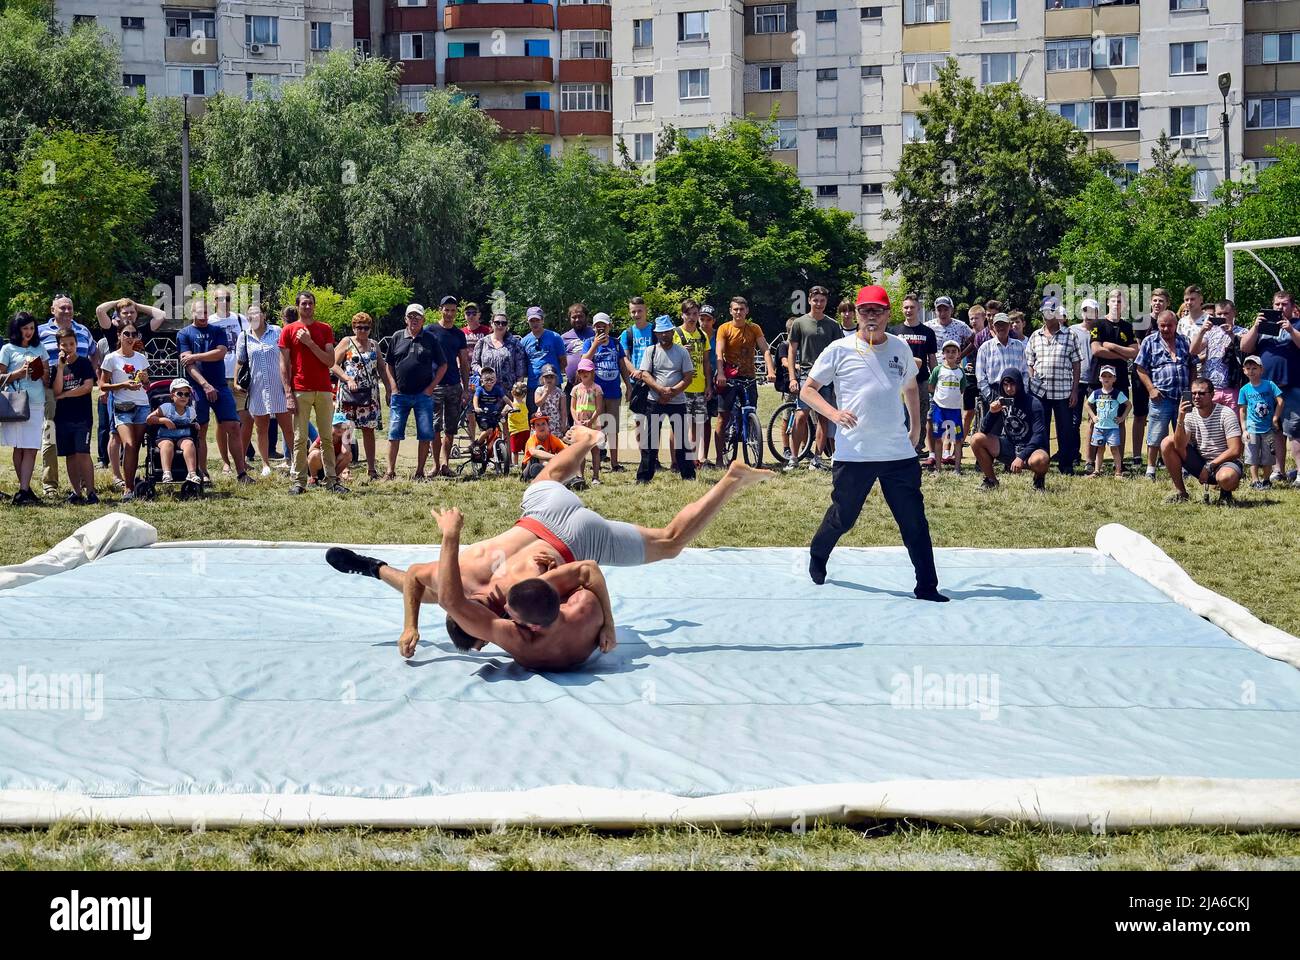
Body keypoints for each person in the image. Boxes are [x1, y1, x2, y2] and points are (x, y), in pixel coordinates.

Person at [324, 425, 772, 657]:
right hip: (540, 514)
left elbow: (586, 579)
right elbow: (416, 581)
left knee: (671, 542)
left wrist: (408, 625)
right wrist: (409, 622)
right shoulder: (455, 580)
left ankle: (730, 483)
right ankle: (587, 442)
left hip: (577, 543)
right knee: (548, 476)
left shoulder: (506, 618)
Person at [799, 285, 945, 601]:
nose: (871, 317)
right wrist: (834, 413)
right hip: (855, 454)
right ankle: (818, 553)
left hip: (897, 453)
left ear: (887, 314)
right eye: (865, 311)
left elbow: (910, 388)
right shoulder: (839, 349)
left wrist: (916, 428)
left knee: (914, 522)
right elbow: (807, 390)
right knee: (844, 516)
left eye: (877, 311)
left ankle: (927, 587)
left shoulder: (900, 347)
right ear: (857, 314)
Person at [432, 506, 618, 671]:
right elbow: (589, 568)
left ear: (533, 627)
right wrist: (609, 625)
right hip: (569, 528)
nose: (504, 608)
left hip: (578, 531)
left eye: (511, 613)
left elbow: (449, 601)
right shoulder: (585, 606)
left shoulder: (522, 645)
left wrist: (450, 534)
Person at [178, 297, 250, 484]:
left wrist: (196, 355)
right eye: (199, 312)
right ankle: (202, 473)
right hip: (196, 388)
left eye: (206, 312)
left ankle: (241, 473)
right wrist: (204, 384)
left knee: (233, 426)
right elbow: (188, 365)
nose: (203, 316)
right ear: (191, 313)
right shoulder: (184, 334)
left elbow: (220, 352)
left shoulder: (217, 331)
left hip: (220, 386)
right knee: (200, 429)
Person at [280, 291, 346, 495]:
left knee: (326, 437)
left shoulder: (324, 329)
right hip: (300, 389)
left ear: (314, 306)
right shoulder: (288, 330)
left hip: (324, 389)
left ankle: (332, 481)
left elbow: (329, 361)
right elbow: (284, 365)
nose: (307, 307)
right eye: (304, 304)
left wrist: (309, 343)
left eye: (310, 304)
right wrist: (288, 393)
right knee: (300, 438)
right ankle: (298, 481)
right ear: (297, 306)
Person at [94, 296, 165, 474]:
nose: (129, 315)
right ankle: (116, 473)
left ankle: (128, 473)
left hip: (138, 391)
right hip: (115, 387)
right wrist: (119, 301)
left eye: (132, 312)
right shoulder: (112, 330)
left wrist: (136, 305)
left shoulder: (140, 330)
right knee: (114, 433)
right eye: (125, 312)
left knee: (133, 439)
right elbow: (100, 310)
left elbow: (161, 314)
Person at [37, 295, 99, 497]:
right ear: (52, 310)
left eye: (69, 308)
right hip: (50, 390)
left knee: (79, 446)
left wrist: (96, 374)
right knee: (50, 437)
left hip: (78, 393)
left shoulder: (83, 330)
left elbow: (94, 352)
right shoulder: (40, 331)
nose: (66, 311)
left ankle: (84, 486)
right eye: (62, 308)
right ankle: (50, 484)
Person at [1239, 290, 1300, 486]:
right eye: (1277, 305)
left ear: (1292, 306)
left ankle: (1299, 473)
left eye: (1284, 304)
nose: (1280, 308)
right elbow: (1245, 347)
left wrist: (1290, 330)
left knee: (1295, 431)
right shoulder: (1263, 328)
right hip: (1265, 390)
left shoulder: (1297, 325)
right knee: (1275, 432)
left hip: (1291, 387)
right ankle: (1278, 471)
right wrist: (1256, 327)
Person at [383, 304, 447, 482]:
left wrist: (431, 387)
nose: (414, 319)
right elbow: (388, 364)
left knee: (425, 434)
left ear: (423, 320)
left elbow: (443, 365)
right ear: (405, 319)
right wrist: (392, 387)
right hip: (400, 395)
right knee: (393, 433)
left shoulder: (430, 339)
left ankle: (419, 472)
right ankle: (390, 472)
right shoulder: (397, 337)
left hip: (423, 395)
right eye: (410, 316)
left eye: (417, 317)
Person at [713, 296, 776, 467]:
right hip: (729, 377)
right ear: (730, 311)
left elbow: (765, 350)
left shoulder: (754, 328)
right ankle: (719, 459)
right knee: (722, 417)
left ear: (747, 311)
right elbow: (719, 353)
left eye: (742, 309)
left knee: (750, 412)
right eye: (735, 309)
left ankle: (752, 447)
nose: (739, 312)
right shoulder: (724, 328)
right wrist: (720, 374)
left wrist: (770, 370)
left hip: (749, 376)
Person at [785, 286, 842, 471]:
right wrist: (792, 377)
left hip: (827, 377)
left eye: (822, 301)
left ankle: (817, 458)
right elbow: (792, 351)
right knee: (801, 416)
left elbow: (840, 353)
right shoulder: (799, 323)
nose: (819, 304)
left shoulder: (833, 325)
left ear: (826, 302)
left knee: (824, 417)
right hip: (806, 375)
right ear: (809, 300)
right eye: (815, 300)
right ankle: (793, 458)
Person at [1161, 376, 1243, 505]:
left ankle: (1225, 492)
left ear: (1212, 394)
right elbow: (1179, 445)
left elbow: (1235, 450)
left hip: (1224, 462)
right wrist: (1180, 418)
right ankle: (1181, 493)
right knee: (1167, 442)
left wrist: (1210, 466)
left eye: (1201, 393)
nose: (1196, 397)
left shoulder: (1226, 414)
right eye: (1193, 393)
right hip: (1200, 461)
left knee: (1226, 478)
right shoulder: (1189, 415)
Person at [1024, 297, 1083, 475]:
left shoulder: (1070, 335)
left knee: (1065, 430)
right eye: (1045, 311)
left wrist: (1075, 390)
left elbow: (1076, 364)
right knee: (1041, 430)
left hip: (1064, 392)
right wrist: (1032, 380)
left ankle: (1066, 464)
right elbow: (1030, 362)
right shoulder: (1035, 335)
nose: (1048, 315)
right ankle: (1043, 462)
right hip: (1040, 392)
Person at [1133, 309, 1194, 481]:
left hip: (1183, 397)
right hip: (1161, 397)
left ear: (1176, 325)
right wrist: (1151, 389)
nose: (1166, 329)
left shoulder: (1184, 341)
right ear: (1158, 325)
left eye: (1169, 325)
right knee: (1155, 434)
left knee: (1183, 434)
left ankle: (1185, 467)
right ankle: (1150, 469)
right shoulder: (1149, 341)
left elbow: (1192, 366)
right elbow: (1140, 368)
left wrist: (1190, 391)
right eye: (1162, 326)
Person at [635, 315, 696, 483]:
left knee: (682, 440)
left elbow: (688, 376)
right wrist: (661, 391)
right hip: (654, 400)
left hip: (678, 401)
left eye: (667, 332)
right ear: (656, 333)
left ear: (671, 332)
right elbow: (645, 374)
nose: (664, 335)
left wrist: (673, 392)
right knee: (650, 441)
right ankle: (644, 477)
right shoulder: (651, 351)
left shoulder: (682, 351)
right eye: (660, 332)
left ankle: (688, 475)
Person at [235, 303, 292, 479]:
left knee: (287, 427)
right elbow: (240, 361)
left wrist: (289, 384)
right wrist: (236, 381)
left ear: (264, 315)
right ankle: (265, 464)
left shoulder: (276, 331)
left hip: (279, 386)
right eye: (250, 314)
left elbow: (288, 357)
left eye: (257, 313)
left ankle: (296, 461)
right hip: (257, 388)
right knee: (261, 428)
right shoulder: (244, 337)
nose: (254, 317)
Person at [971, 368, 1051, 491]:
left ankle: (1039, 480)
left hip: (1031, 449)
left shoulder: (1033, 403)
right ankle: (991, 480)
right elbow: (983, 430)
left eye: (1012, 384)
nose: (1009, 389)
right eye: (1005, 385)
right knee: (976, 439)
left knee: (1041, 459)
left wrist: (1021, 457)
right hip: (1010, 446)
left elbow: (1039, 435)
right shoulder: (1002, 402)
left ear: (1019, 383)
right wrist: (992, 413)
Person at [0, 312, 49, 505]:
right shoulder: (7, 349)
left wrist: (40, 372)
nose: (29, 332)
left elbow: (47, 377)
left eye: (31, 328)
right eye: (25, 328)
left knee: (31, 447)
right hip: (15, 402)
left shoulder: (40, 347)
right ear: (17, 329)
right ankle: (24, 490)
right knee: (18, 447)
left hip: (36, 401)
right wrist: (18, 373)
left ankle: (23, 490)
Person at [98, 324, 150, 501]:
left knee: (135, 446)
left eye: (133, 334)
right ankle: (128, 488)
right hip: (122, 406)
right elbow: (102, 385)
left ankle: (131, 484)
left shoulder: (141, 358)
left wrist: (144, 380)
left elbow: (147, 386)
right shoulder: (111, 358)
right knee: (128, 444)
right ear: (119, 335)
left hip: (142, 405)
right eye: (126, 334)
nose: (130, 337)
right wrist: (123, 385)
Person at [332, 312, 385, 481]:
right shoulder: (347, 342)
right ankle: (345, 468)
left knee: (369, 431)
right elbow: (332, 364)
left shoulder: (374, 345)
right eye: (359, 327)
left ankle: (371, 469)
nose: (362, 331)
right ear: (353, 327)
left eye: (366, 328)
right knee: (346, 430)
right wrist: (347, 379)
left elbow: (382, 369)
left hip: (369, 395)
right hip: (349, 393)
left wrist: (391, 389)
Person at [1091, 288, 1140, 467]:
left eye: (1120, 301)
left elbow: (1134, 352)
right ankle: (1092, 460)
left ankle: (1118, 461)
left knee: (1119, 419)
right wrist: (1122, 354)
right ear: (1107, 302)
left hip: (1120, 379)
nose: (1116, 304)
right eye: (1113, 300)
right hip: (1099, 378)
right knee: (1094, 419)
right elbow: (1096, 349)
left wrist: (1112, 346)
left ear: (1124, 305)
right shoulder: (1098, 324)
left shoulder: (1127, 327)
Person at [582, 312, 633, 472]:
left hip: (613, 392)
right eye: (597, 325)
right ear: (593, 327)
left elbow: (622, 366)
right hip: (595, 392)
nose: (600, 327)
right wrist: (595, 345)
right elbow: (584, 361)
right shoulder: (589, 342)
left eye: (603, 324)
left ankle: (615, 463)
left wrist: (629, 386)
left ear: (609, 326)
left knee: (612, 429)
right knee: (595, 427)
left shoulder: (616, 343)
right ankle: (595, 463)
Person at [51, 329, 97, 504]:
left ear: (76, 344)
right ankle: (76, 492)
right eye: (64, 344)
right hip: (63, 418)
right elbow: (56, 390)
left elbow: (86, 387)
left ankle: (91, 492)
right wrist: (61, 368)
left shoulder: (84, 363)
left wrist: (65, 395)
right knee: (70, 454)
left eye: (71, 344)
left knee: (82, 453)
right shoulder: (57, 367)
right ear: (58, 346)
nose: (68, 347)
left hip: (82, 417)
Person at [890, 293, 938, 459]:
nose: (908, 310)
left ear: (918, 308)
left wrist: (935, 379)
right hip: (898, 381)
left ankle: (917, 447)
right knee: (900, 414)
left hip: (921, 380)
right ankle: (901, 446)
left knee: (921, 414)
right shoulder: (894, 331)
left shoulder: (928, 332)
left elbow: (932, 358)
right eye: (906, 307)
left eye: (912, 307)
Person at [208, 287, 249, 474]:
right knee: (222, 422)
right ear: (214, 301)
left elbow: (249, 343)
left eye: (227, 298)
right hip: (218, 376)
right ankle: (226, 462)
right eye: (220, 298)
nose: (224, 301)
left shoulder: (240, 319)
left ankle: (241, 458)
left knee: (244, 419)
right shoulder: (209, 321)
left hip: (239, 376)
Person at [674, 299, 712, 471]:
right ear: (682, 315)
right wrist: (682, 351)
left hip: (699, 385)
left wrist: (708, 385)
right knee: (685, 424)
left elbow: (706, 362)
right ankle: (685, 460)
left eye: (695, 314)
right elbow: (669, 359)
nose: (692, 317)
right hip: (682, 386)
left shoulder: (702, 336)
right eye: (688, 314)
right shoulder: (676, 334)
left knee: (699, 424)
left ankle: (697, 459)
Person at [1189, 300, 1247, 412]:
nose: (1223, 316)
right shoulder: (1210, 332)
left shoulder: (1242, 331)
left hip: (1233, 388)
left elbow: (1244, 349)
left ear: (1234, 313)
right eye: (1219, 314)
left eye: (1226, 313)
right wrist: (1202, 331)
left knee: (1233, 425)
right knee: (1210, 423)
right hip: (1211, 389)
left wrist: (1232, 334)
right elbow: (1193, 350)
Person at [1237, 355, 1282, 490]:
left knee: (1268, 457)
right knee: (1252, 457)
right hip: (1252, 429)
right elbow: (1242, 410)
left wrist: (1275, 418)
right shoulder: (1244, 390)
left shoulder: (1269, 385)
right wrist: (1244, 429)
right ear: (1244, 371)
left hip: (1268, 429)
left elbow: (1280, 401)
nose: (1251, 371)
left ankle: (1266, 480)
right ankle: (1255, 480)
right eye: (1248, 368)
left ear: (1261, 369)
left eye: (1255, 368)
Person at [146, 378, 201, 484]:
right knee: (168, 444)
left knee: (189, 444)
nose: (183, 397)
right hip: (164, 436)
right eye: (180, 393)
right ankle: (166, 472)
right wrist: (163, 420)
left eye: (187, 394)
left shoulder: (191, 411)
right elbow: (149, 419)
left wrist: (195, 424)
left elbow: (192, 421)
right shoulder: (166, 408)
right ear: (172, 396)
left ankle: (192, 473)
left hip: (183, 437)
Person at [926, 340, 969, 472]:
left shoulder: (961, 372)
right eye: (948, 351)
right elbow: (931, 386)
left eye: (954, 351)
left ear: (958, 354)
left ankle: (957, 469)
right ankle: (938, 468)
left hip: (955, 410)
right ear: (943, 354)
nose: (951, 354)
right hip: (939, 409)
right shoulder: (938, 370)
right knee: (938, 438)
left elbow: (962, 389)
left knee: (957, 439)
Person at [974, 312, 1028, 405]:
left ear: (1009, 326)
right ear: (993, 327)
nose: (1001, 328)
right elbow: (980, 376)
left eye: (1004, 324)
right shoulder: (985, 348)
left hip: (1016, 391)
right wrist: (989, 396)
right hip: (994, 391)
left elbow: (1025, 372)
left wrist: (1024, 391)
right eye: (998, 325)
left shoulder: (1020, 346)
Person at [1085, 365, 1129, 479]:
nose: (1107, 378)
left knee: (1115, 449)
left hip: (1113, 428)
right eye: (1104, 376)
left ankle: (1118, 472)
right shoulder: (1096, 393)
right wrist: (1093, 416)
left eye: (1110, 376)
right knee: (1100, 449)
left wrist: (1122, 417)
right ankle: (1097, 471)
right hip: (1099, 428)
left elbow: (1128, 405)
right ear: (1099, 378)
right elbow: (1087, 404)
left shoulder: (1117, 394)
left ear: (1114, 379)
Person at [521, 305, 566, 415]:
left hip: (553, 384)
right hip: (533, 385)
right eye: (532, 321)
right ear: (528, 322)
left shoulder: (555, 337)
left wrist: (552, 377)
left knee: (556, 415)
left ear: (542, 320)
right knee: (535, 417)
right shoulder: (524, 341)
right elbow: (524, 365)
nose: (535, 323)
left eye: (537, 320)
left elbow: (563, 361)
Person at [1073, 298, 1101, 473]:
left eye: (1092, 311)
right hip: (1076, 381)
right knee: (1073, 420)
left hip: (1096, 380)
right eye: (1085, 310)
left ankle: (1092, 459)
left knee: (1094, 420)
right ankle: (1073, 454)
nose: (1088, 314)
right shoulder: (1072, 331)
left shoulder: (1101, 330)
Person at [473, 313, 528, 397]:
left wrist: (518, 392)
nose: (500, 325)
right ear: (491, 324)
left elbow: (520, 371)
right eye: (497, 322)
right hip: (487, 391)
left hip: (509, 392)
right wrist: (481, 370)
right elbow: (474, 364)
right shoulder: (482, 342)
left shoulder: (515, 344)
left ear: (507, 325)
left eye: (504, 323)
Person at [560, 303, 594, 432]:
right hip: (571, 385)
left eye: (580, 316)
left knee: (593, 418)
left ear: (586, 317)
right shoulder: (564, 338)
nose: (577, 319)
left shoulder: (594, 333)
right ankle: (574, 449)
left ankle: (600, 452)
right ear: (569, 319)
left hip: (592, 385)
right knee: (571, 416)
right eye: (574, 317)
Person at [569, 358, 603, 486]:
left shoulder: (597, 388)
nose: (584, 373)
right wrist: (577, 421)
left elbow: (599, 408)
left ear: (592, 372)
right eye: (581, 371)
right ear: (578, 373)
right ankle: (580, 476)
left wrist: (591, 420)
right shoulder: (576, 389)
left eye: (587, 371)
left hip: (593, 424)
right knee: (580, 452)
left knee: (595, 451)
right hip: (579, 425)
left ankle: (595, 476)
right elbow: (572, 407)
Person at [308, 411, 353, 484]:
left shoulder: (345, 436)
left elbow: (345, 452)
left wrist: (345, 436)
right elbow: (311, 449)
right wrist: (325, 457)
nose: (339, 429)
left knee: (349, 455)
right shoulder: (326, 435)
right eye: (336, 426)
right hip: (320, 465)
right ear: (331, 426)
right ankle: (314, 478)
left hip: (333, 466)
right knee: (315, 453)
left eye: (342, 426)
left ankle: (334, 477)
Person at [521, 413, 566, 482]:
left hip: (545, 465)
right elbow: (534, 452)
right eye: (538, 425)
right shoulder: (532, 439)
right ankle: (552, 473)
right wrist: (555, 457)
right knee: (539, 448)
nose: (541, 427)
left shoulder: (553, 439)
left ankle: (552, 473)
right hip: (529, 468)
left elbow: (567, 450)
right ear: (533, 428)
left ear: (548, 425)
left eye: (543, 423)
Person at [533, 364, 563, 436]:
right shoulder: (539, 390)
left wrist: (564, 423)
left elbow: (563, 409)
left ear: (555, 378)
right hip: (542, 421)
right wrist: (546, 393)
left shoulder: (560, 392)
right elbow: (538, 403)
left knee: (555, 443)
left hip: (555, 421)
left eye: (551, 377)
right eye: (546, 377)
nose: (549, 379)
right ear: (542, 379)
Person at [506, 380, 530, 466]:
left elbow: (503, 413)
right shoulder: (524, 404)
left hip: (515, 431)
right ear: (524, 395)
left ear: (512, 393)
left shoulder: (510, 405)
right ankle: (526, 463)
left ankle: (515, 464)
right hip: (526, 429)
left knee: (515, 451)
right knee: (525, 449)